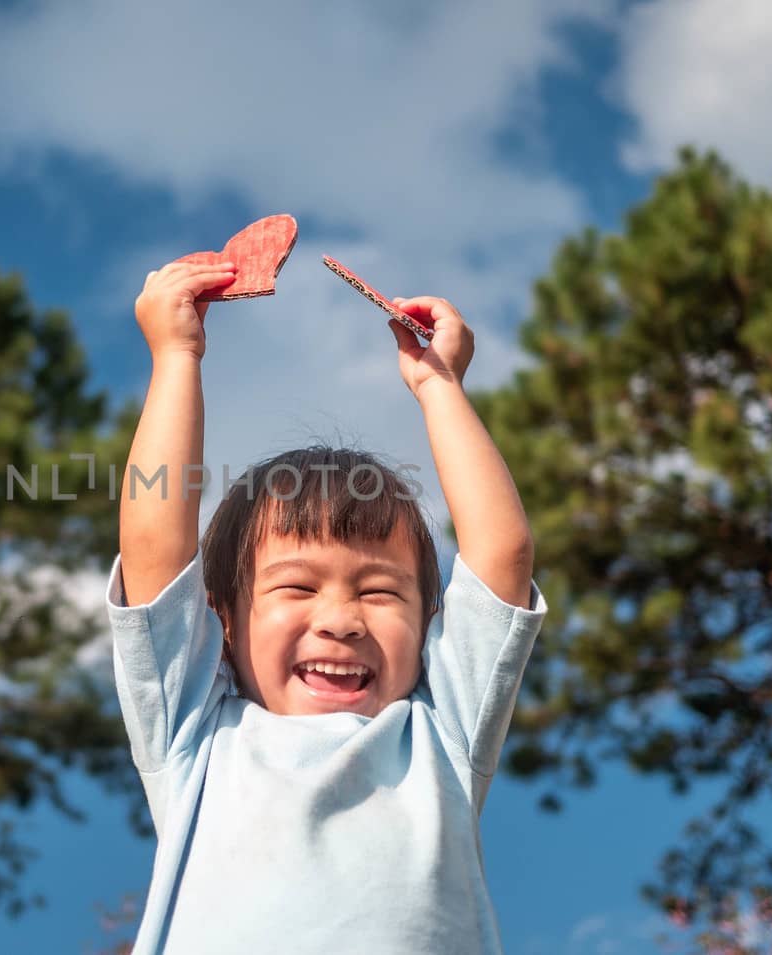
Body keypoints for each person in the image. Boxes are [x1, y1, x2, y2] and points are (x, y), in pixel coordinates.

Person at [107, 258, 547, 953]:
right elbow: (153, 547)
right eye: (297, 586)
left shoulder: (442, 734)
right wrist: (176, 355)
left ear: (431, 622)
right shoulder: (196, 732)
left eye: (378, 590)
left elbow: (503, 554)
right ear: (220, 620)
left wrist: (440, 386)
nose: (341, 619)